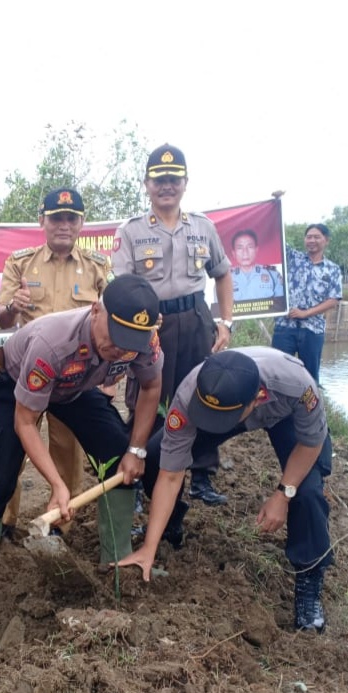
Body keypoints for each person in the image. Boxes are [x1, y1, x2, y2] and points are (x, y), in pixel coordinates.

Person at [0, 274, 163, 610]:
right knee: (1, 475)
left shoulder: (142, 341)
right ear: (96, 311)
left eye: (131, 342)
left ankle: (118, 558)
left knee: (117, 453)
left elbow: (151, 388)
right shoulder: (53, 343)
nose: (121, 349)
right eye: (115, 338)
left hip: (74, 388)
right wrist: (57, 485)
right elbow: (25, 422)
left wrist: (136, 450)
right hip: (13, 386)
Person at [117, 347, 333, 632]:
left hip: (285, 416)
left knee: (307, 492)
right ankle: (168, 528)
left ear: (257, 399)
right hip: (224, 410)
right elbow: (170, 476)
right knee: (156, 459)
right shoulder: (191, 394)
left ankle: (309, 579)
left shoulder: (297, 386)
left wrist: (283, 493)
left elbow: (311, 442)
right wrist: (149, 547)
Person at [111, 143, 234, 506]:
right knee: (146, 396)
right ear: (146, 184)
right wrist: (137, 326)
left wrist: (225, 322)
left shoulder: (202, 227)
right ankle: (136, 475)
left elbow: (223, 275)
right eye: (159, 179)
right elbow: (119, 285)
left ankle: (201, 475)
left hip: (196, 320)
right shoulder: (131, 231)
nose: (166, 186)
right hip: (151, 323)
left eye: (173, 179)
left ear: (185, 183)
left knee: (202, 394)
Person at [0, 187, 111, 539]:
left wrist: (109, 379)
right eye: (56, 218)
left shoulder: (98, 267)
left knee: (67, 453)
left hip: (74, 377)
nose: (64, 225)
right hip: (29, 372)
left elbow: (110, 321)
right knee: (12, 452)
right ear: (42, 221)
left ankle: (59, 522)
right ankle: (4, 522)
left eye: (71, 218)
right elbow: (1, 319)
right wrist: (13, 306)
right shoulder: (20, 262)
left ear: (81, 223)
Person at [272, 223, 342, 384]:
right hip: (285, 327)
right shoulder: (293, 259)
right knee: (278, 373)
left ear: (326, 240)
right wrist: (276, 203)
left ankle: (309, 408)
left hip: (313, 330)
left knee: (310, 378)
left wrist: (305, 313)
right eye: (309, 237)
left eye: (317, 237)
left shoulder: (333, 269)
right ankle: (280, 408)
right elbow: (278, 239)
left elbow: (333, 299)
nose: (312, 240)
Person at [229, 229, 284, 302]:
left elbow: (281, 306)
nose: (245, 252)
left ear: (256, 250)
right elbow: (218, 310)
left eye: (250, 247)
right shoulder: (225, 280)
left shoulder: (272, 275)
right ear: (233, 253)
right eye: (240, 248)